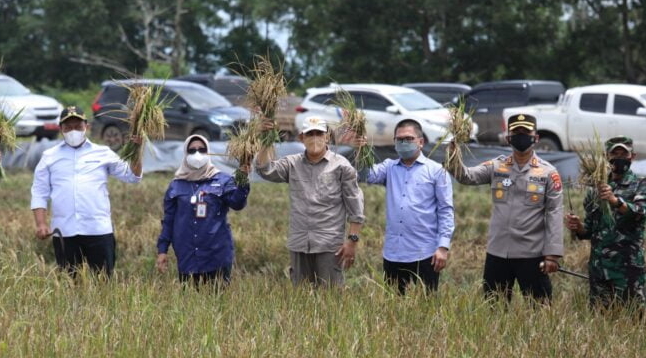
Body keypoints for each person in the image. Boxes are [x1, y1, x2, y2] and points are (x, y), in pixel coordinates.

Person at [449, 113, 563, 303]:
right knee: (494, 307)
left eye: (525, 132)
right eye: (516, 132)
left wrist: (552, 255)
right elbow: (466, 176)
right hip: (498, 252)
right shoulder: (496, 166)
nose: (521, 136)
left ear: (536, 137)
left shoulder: (548, 173)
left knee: (540, 309)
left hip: (531, 254)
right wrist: (453, 153)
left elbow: (555, 213)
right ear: (508, 137)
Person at [30, 106, 143, 277]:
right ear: (61, 129)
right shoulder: (49, 156)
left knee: (103, 281)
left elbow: (133, 176)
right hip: (64, 231)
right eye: (68, 127)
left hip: (98, 229)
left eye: (77, 126)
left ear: (86, 127)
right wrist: (41, 224)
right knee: (69, 282)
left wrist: (137, 151)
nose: (73, 131)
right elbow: (39, 193)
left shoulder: (103, 153)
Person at [255, 116, 365, 286]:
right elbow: (265, 170)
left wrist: (352, 241)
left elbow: (355, 205)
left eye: (319, 133)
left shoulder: (341, 166)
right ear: (301, 138)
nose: (315, 138)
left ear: (327, 136)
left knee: (330, 297)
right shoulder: (292, 164)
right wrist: (265, 138)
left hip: (329, 245)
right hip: (299, 243)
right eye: (310, 134)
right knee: (301, 296)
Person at [364, 119, 454, 293]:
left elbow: (446, 210)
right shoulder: (389, 167)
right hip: (393, 253)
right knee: (393, 307)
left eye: (409, 138)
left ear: (421, 142)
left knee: (425, 307)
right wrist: (362, 150)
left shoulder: (436, 171)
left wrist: (442, 247)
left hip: (425, 253)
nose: (403, 143)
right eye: (399, 139)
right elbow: (366, 175)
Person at [565, 136, 646, 309]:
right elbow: (589, 230)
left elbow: (640, 213)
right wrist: (577, 226)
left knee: (631, 319)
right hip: (599, 269)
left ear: (632, 156)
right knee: (600, 321)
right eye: (614, 153)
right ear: (605, 156)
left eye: (624, 154)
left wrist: (614, 200)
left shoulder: (640, 184)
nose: (619, 158)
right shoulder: (595, 191)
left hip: (627, 269)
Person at [156, 135, 249, 285]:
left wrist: (243, 179)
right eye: (192, 151)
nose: (197, 154)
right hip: (187, 258)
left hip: (216, 256)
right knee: (191, 305)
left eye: (202, 149)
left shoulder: (222, 180)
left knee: (218, 302)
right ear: (186, 155)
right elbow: (169, 221)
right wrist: (162, 250)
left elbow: (237, 203)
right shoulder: (176, 185)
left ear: (209, 152)